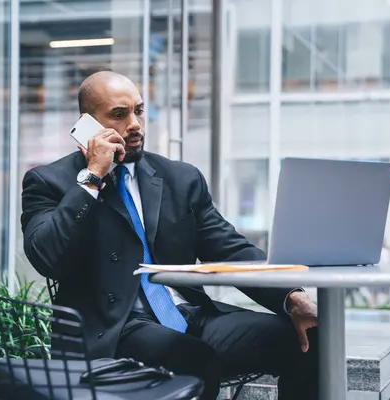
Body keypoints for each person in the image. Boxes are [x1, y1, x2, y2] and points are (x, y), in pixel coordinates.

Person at [21, 71, 319, 400]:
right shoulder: (50, 182)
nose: (134, 124)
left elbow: (228, 248)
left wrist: (290, 297)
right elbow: (45, 255)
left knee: (308, 338)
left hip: (190, 316)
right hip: (116, 328)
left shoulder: (180, 178)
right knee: (193, 358)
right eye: (120, 115)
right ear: (88, 124)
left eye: (138, 110)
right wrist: (92, 177)